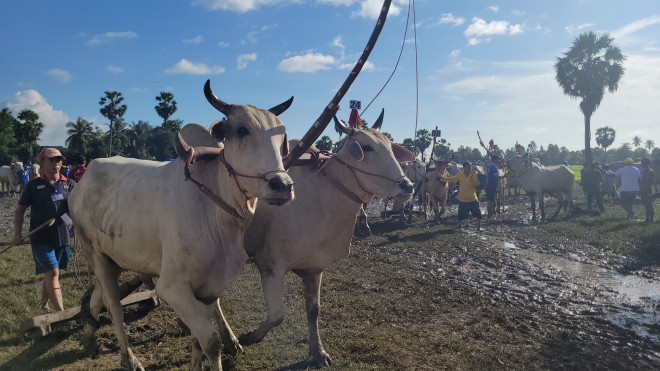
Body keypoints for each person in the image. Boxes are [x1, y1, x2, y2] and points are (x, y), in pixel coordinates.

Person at [13, 148, 75, 312]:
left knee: (52, 274)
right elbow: (20, 210)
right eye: (51, 160)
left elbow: (80, 208)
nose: (56, 163)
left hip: (62, 238)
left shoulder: (69, 184)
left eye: (59, 160)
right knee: (53, 273)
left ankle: (43, 304)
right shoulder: (33, 186)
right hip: (40, 238)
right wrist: (18, 234)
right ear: (42, 162)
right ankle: (61, 314)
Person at [442, 161, 483, 231]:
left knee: (478, 214)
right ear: (464, 168)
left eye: (470, 166)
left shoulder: (473, 175)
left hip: (472, 198)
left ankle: (479, 227)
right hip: (463, 198)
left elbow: (476, 185)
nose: (470, 168)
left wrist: (474, 176)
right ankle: (459, 226)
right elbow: (453, 179)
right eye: (468, 166)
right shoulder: (460, 174)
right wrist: (443, 178)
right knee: (460, 215)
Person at [639, 157, 654, 223]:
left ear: (645, 163)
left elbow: (647, 183)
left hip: (647, 190)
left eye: (642, 162)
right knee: (646, 205)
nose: (641, 163)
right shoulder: (645, 170)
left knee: (649, 205)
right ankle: (647, 219)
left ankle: (650, 220)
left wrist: (642, 189)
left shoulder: (649, 171)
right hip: (644, 190)